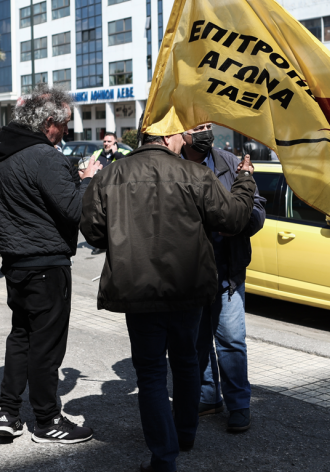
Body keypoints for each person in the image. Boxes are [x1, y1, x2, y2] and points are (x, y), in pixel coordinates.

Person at [81, 115, 257, 472]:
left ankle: (164, 456)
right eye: (182, 131)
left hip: (138, 292)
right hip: (188, 290)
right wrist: (245, 180)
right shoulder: (195, 175)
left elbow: (94, 232)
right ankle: (184, 435)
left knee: (150, 375)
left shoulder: (112, 175)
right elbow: (234, 218)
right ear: (168, 135)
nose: (187, 138)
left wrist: (89, 187)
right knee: (186, 362)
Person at [0, 84, 101, 444]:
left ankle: (8, 411)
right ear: (49, 121)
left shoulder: (2, 155)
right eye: (66, 123)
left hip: (17, 263)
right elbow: (73, 211)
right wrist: (86, 181)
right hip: (46, 264)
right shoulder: (43, 155)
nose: (68, 130)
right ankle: (47, 420)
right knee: (46, 346)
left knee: (21, 336)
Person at [180, 122, 266, 433]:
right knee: (196, 343)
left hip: (228, 273)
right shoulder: (174, 166)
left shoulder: (229, 163)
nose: (204, 132)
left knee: (231, 340)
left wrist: (241, 225)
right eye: (196, 127)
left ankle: (239, 404)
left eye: (207, 126)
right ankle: (207, 397)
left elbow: (256, 206)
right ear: (182, 134)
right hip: (189, 275)